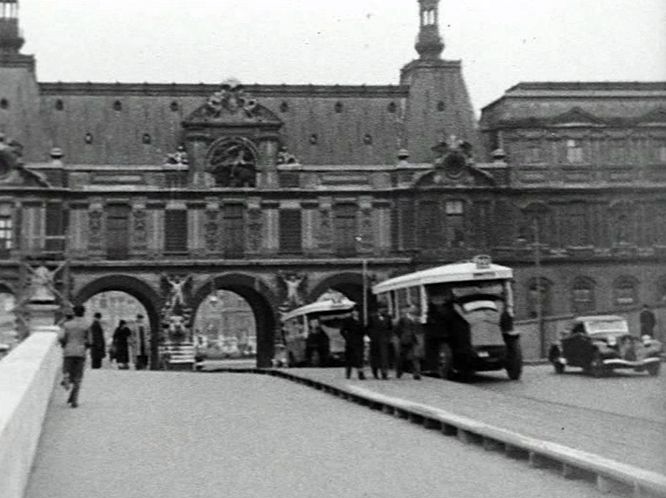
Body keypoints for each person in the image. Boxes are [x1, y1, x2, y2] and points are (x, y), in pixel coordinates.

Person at [57, 304, 90, 408]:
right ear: (83, 313)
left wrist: (64, 344)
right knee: (78, 377)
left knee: (66, 369)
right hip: (80, 352)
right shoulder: (87, 325)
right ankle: (74, 400)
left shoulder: (67, 325)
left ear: (74, 312)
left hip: (68, 351)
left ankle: (66, 377)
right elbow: (90, 341)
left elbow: (61, 337)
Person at [395, 305, 424, 380]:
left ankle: (417, 374)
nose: (413, 310)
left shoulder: (417, 319)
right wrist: (401, 336)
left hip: (413, 340)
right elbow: (397, 329)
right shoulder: (403, 319)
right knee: (402, 357)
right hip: (404, 340)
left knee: (414, 357)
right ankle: (399, 372)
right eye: (411, 309)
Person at [340, 308, 366, 380]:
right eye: (355, 311)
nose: (356, 313)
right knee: (349, 359)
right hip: (350, 342)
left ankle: (361, 374)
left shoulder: (360, 320)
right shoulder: (347, 320)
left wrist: (362, 336)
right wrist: (347, 338)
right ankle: (348, 373)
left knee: (360, 358)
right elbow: (342, 331)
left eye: (357, 311)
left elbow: (363, 330)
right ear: (352, 312)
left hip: (359, 342)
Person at [368, 305, 392, 379]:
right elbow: (368, 328)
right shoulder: (372, 317)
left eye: (384, 309)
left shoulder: (388, 317)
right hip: (375, 340)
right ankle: (375, 371)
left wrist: (388, 337)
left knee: (384, 357)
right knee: (375, 357)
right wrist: (371, 336)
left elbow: (390, 328)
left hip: (384, 339)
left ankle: (384, 373)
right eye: (382, 308)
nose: (383, 310)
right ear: (378, 309)